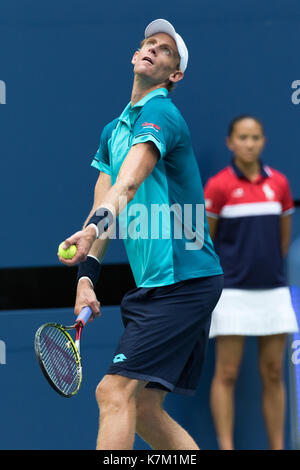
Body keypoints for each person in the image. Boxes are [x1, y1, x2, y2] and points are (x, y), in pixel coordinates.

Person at [58, 19, 223, 450]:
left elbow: (127, 185)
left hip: (185, 280)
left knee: (112, 392)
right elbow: (105, 206)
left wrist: (93, 226)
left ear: (175, 75)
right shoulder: (112, 132)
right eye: (148, 43)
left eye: (165, 50)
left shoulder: (161, 112)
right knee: (145, 409)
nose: (152, 49)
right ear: (135, 55)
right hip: (159, 285)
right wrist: (85, 281)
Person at [204, 115, 298, 450]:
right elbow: (207, 241)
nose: (249, 143)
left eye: (255, 137)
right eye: (243, 137)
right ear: (230, 142)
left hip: (272, 291)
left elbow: (283, 239)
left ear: (263, 141)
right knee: (227, 373)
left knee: (274, 373)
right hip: (231, 293)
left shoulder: (280, 185)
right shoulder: (218, 186)